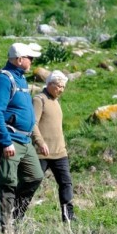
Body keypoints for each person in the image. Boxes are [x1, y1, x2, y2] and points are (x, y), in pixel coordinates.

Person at [0, 43, 44, 232]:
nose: (32, 61)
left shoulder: (22, 80)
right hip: (10, 139)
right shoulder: (3, 80)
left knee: (35, 176)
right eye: (30, 57)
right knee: (8, 183)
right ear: (19, 59)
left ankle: (7, 213)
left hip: (25, 140)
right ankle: (6, 227)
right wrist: (5, 141)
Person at [30, 71, 76, 222]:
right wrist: (40, 142)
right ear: (49, 84)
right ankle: (16, 213)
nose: (61, 90)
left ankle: (68, 217)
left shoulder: (56, 101)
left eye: (63, 87)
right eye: (59, 86)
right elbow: (33, 124)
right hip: (41, 153)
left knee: (66, 183)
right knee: (31, 184)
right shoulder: (39, 100)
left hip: (59, 152)